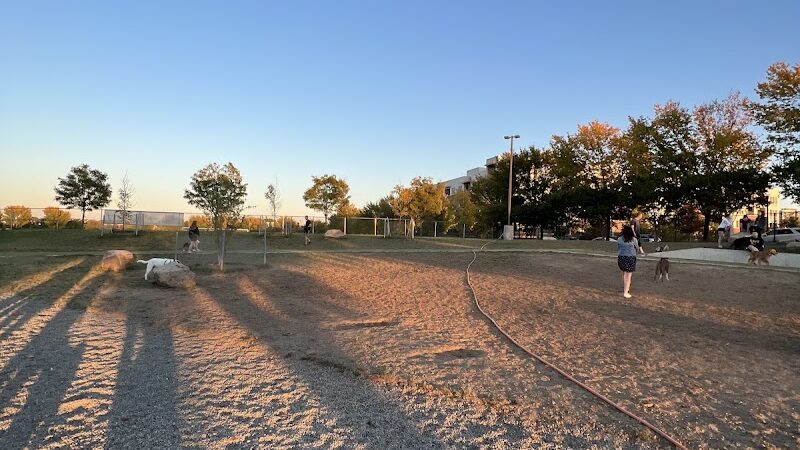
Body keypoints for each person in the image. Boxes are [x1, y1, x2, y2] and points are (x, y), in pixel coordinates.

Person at [617, 225, 644, 299]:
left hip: (621, 258)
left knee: (624, 273)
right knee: (628, 276)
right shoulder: (634, 240)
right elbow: (637, 248)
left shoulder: (619, 239)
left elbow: (618, 248)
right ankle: (626, 292)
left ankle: (625, 288)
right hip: (630, 258)